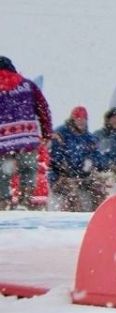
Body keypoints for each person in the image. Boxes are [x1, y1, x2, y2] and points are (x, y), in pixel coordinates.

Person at [0, 56, 52, 210]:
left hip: (2, 140)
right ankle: (25, 201)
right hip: (26, 137)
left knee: (3, 174)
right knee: (28, 169)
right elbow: (43, 109)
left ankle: (3, 202)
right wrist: (47, 132)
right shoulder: (27, 84)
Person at [48, 106, 104, 212]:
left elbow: (98, 157)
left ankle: (97, 214)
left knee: (99, 187)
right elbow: (54, 158)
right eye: (78, 118)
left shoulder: (90, 138)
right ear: (72, 119)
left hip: (82, 176)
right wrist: (65, 169)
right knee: (72, 192)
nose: (81, 122)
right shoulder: (61, 134)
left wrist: (91, 162)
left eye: (83, 119)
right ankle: (76, 216)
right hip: (61, 176)